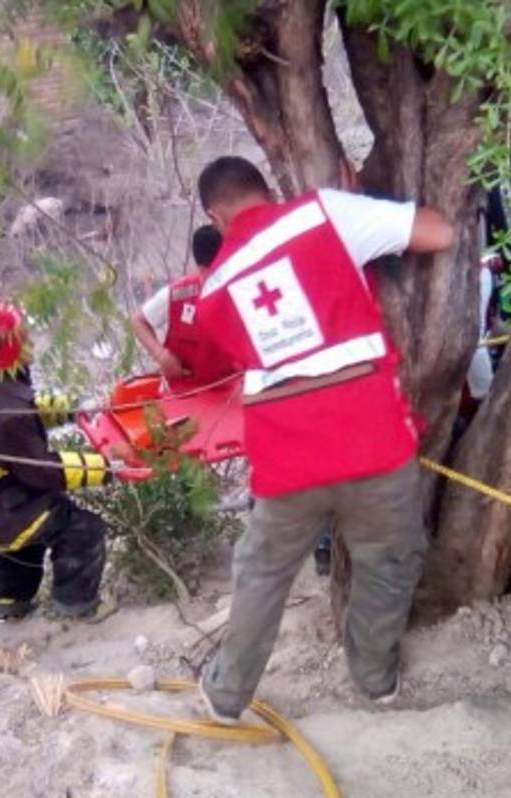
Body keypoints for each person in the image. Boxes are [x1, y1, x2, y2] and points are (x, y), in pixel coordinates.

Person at [187, 156, 455, 722]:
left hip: (287, 462)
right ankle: (375, 680)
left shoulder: (212, 292)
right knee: (389, 561)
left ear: (215, 215)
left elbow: (214, 365)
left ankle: (227, 695)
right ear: (265, 186)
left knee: (262, 573)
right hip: (372, 441)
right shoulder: (323, 214)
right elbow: (439, 232)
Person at [0, 299, 115, 622]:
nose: (30, 340)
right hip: (9, 508)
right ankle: (76, 606)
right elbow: (45, 471)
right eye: (23, 335)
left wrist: (75, 408)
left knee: (16, 549)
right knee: (80, 528)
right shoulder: (9, 414)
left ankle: (10, 601)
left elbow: (28, 412)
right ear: (12, 345)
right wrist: (106, 466)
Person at [130, 224, 223, 384]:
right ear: (200, 268)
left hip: (233, 388)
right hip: (185, 392)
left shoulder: (241, 288)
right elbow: (138, 321)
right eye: (211, 274)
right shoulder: (177, 294)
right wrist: (161, 355)